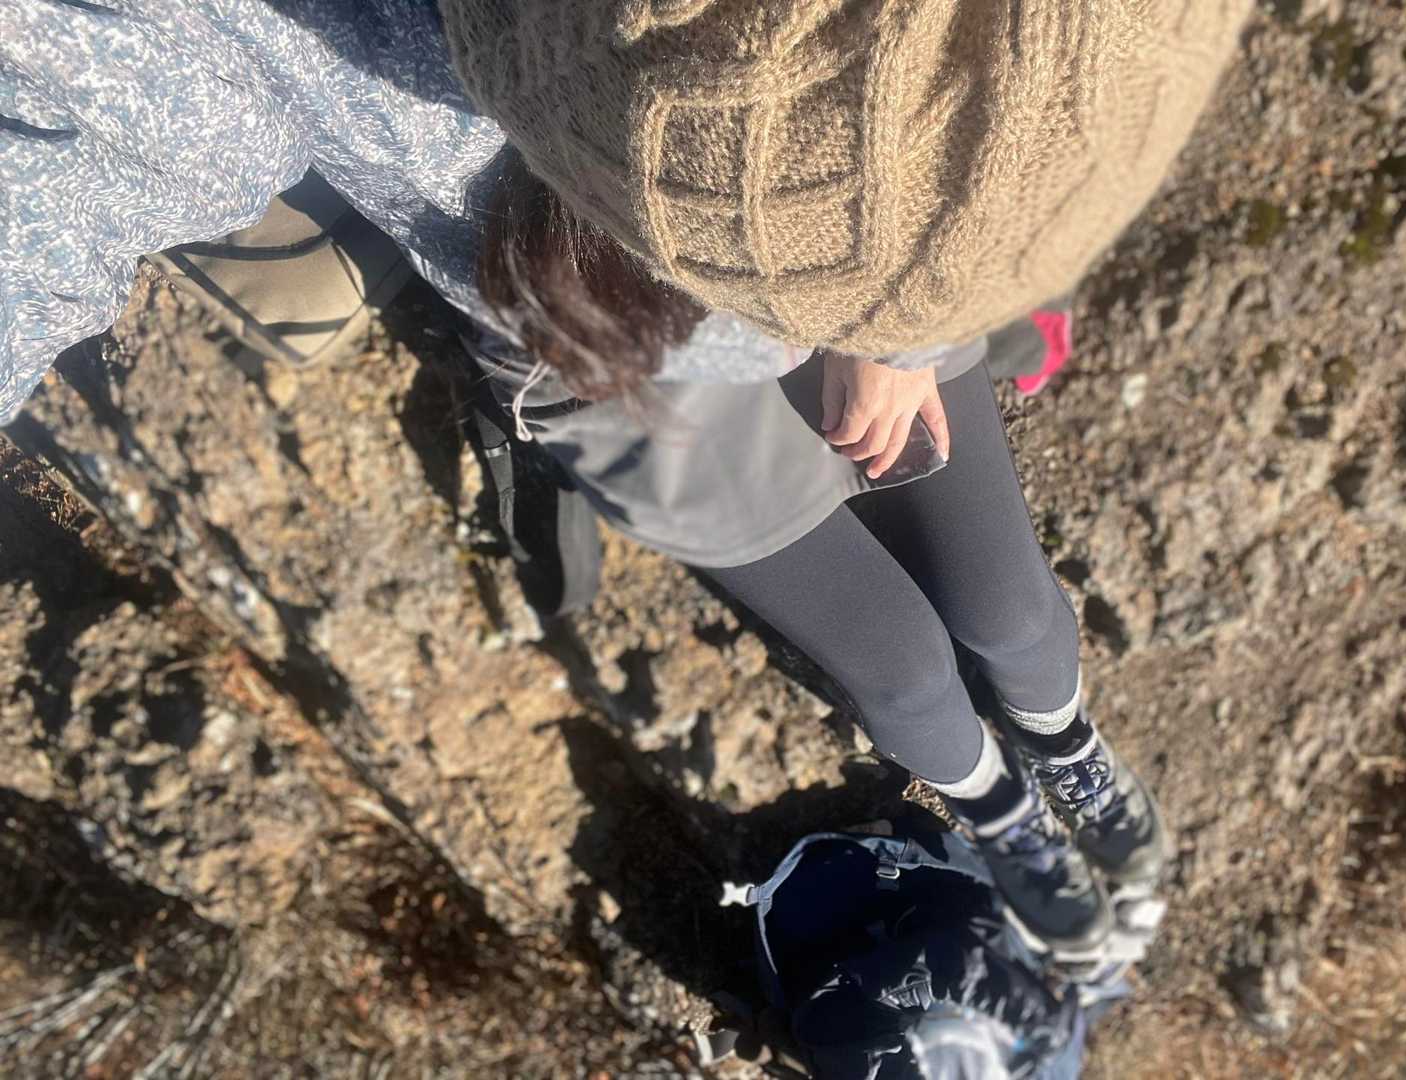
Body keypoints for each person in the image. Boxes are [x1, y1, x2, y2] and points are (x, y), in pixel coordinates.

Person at [1, 0, 1251, 956]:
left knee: (1012, 612)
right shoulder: (251, 30)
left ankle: (1065, 746)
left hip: (877, 299)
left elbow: (1025, 117)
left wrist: (901, 326)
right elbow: (65, 158)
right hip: (601, 362)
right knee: (905, 664)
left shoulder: (937, 171)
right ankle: (999, 813)